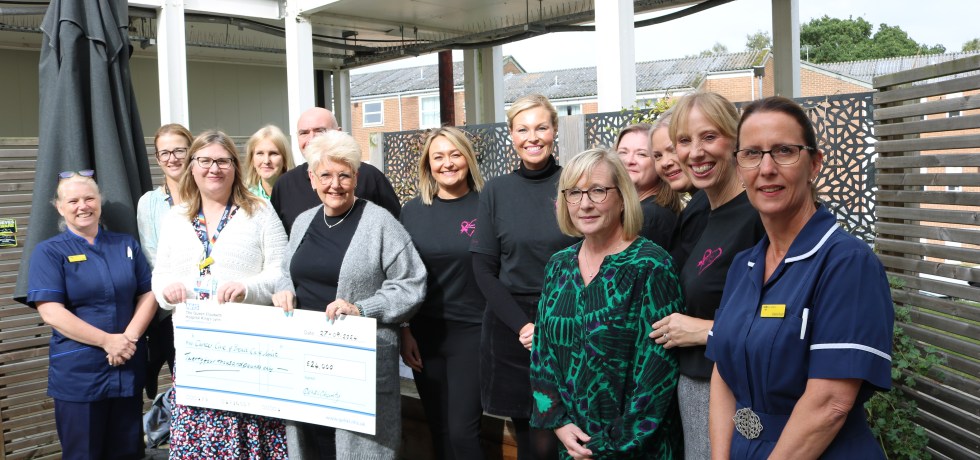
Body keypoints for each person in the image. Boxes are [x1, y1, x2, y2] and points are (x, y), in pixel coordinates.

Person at [706, 96, 893, 458]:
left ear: (814, 164)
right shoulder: (744, 265)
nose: (767, 168)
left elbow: (830, 404)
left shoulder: (847, 264)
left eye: (784, 151)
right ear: (739, 167)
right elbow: (723, 374)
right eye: (751, 154)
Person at [272, 129, 426, 459]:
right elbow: (288, 271)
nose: (335, 184)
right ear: (312, 178)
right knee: (313, 442)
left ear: (356, 177)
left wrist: (362, 308)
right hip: (307, 357)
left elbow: (411, 283)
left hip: (358, 362)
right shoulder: (302, 222)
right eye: (326, 175)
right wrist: (284, 291)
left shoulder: (379, 223)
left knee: (358, 448)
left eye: (344, 175)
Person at [530, 149, 684, 459]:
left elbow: (658, 375)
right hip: (572, 445)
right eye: (574, 192)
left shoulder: (650, 265)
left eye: (598, 191)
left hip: (635, 449)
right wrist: (558, 422)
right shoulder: (559, 265)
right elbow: (542, 352)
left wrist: (604, 445)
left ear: (622, 196)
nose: (585, 203)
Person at [152, 130, 289, 458]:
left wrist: (248, 288)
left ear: (235, 167)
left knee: (251, 438)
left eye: (223, 161)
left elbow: (282, 272)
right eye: (205, 160)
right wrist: (166, 291)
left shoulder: (259, 212)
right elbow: (160, 275)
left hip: (249, 351)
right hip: (195, 352)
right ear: (192, 167)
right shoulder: (175, 218)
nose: (214, 168)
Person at [648, 92, 765, 459]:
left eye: (709, 137)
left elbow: (783, 320)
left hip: (738, 393)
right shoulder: (709, 212)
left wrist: (703, 330)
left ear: (736, 141)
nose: (695, 152)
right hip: (696, 386)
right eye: (684, 141)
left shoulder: (758, 216)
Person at [470, 94, 576, 460]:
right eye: (523, 129)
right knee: (529, 438)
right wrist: (523, 327)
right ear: (512, 136)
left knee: (563, 436)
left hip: (567, 320)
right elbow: (483, 268)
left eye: (541, 127)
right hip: (512, 327)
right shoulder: (496, 191)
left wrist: (551, 324)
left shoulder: (574, 182)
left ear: (554, 130)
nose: (533, 137)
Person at [25, 171, 157, 460]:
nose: (82, 205)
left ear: (100, 202)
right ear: (59, 207)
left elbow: (148, 293)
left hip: (126, 364)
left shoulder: (125, 244)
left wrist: (127, 339)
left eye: (89, 198)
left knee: (127, 452)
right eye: (72, 200)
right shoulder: (48, 252)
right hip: (79, 374)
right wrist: (107, 341)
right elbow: (50, 312)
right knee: (83, 454)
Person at [399, 127, 486, 460]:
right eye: (438, 156)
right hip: (425, 334)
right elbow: (402, 276)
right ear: (428, 164)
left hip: (473, 330)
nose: (447, 163)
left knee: (464, 433)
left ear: (467, 158)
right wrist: (405, 329)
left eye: (455, 154)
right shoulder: (412, 211)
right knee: (439, 428)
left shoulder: (487, 205)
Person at [270, 107, 400, 235]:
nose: (311, 139)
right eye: (304, 133)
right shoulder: (284, 185)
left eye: (320, 130)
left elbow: (396, 230)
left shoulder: (370, 177)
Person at [137, 123, 193, 398]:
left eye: (179, 150)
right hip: (167, 310)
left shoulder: (208, 195)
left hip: (203, 303)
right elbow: (150, 253)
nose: (172, 158)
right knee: (180, 387)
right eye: (165, 153)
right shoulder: (149, 202)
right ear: (158, 159)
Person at [649, 112, 710, 268]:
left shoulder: (706, 206)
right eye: (657, 156)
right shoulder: (695, 205)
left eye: (673, 150)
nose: (665, 163)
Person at [616, 123, 680, 249]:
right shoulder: (636, 209)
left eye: (641, 154)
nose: (629, 161)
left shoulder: (649, 217)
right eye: (623, 152)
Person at [245, 124, 295, 200]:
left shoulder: (298, 195)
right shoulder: (244, 199)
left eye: (273, 153)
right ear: (252, 160)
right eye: (260, 153)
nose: (266, 161)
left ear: (285, 159)